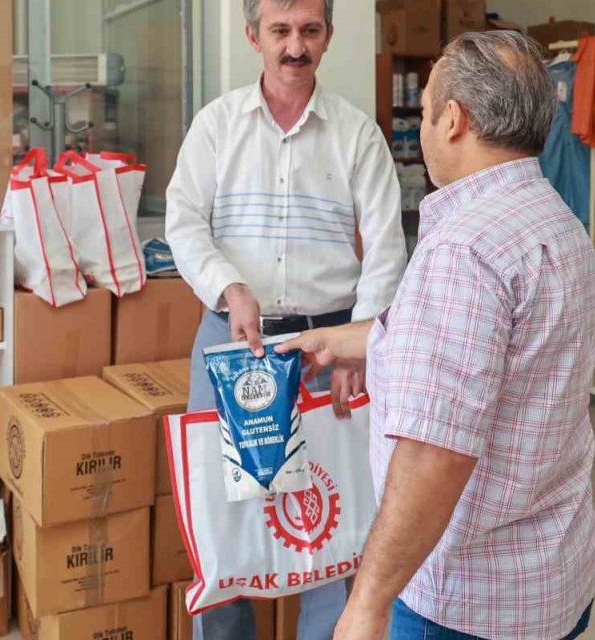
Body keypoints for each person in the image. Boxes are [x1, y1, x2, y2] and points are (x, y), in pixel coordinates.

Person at [278, 31, 595, 640]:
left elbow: (435, 453)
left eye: (427, 106)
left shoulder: (463, 250)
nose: (425, 122)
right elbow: (491, 357)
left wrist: (369, 600)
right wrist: (347, 340)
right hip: (554, 577)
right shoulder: (556, 223)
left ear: (453, 119)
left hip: (466, 604)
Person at [164, 0, 408, 637]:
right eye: (280, 31)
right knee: (222, 525)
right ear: (253, 36)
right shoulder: (216, 127)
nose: (294, 46)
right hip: (231, 344)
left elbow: (386, 249)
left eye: (308, 30)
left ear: (328, 35)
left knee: (334, 520)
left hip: (327, 352)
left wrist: (360, 345)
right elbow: (183, 223)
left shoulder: (358, 135)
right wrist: (228, 287)